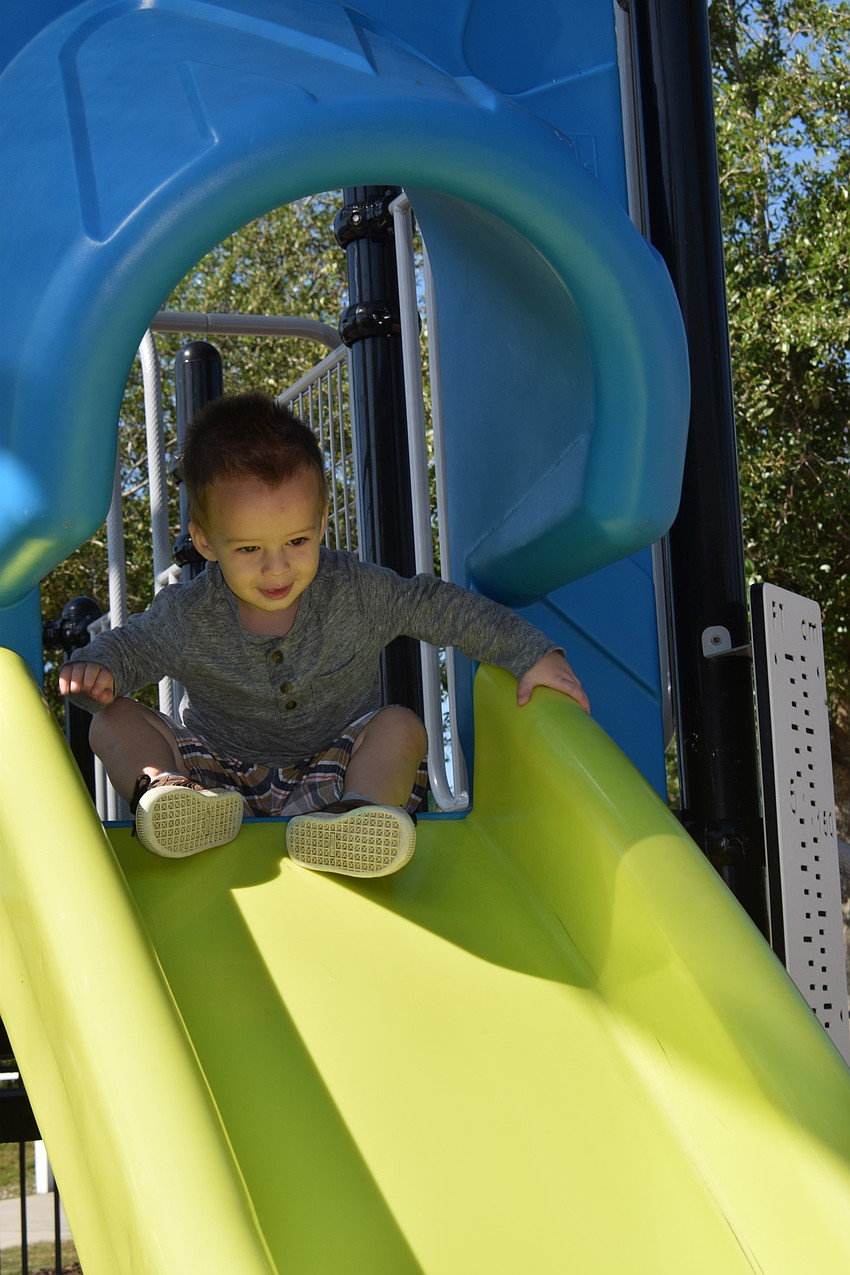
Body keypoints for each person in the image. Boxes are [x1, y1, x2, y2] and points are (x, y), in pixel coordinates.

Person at [59, 393, 590, 878]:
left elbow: (438, 606)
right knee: (112, 720)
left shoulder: (354, 591)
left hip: (337, 772)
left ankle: (358, 820)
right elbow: (128, 648)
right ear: (205, 541)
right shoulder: (188, 614)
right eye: (248, 549)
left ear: (321, 522)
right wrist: (97, 671)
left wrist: (530, 653)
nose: (276, 568)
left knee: (401, 726)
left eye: (296, 540)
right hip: (214, 784)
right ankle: (170, 799)